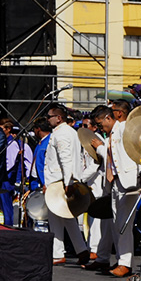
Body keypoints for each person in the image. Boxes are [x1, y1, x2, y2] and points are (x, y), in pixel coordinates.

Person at [89, 101, 139, 277]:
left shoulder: (126, 128)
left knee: (124, 223)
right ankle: (122, 259)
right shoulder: (112, 133)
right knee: (118, 223)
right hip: (116, 182)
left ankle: (126, 263)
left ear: (111, 117)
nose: (100, 128)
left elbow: (137, 151)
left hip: (128, 181)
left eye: (101, 123)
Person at [41, 105, 89, 264]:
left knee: (56, 219)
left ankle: (58, 252)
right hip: (63, 179)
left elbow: (65, 158)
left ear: (59, 118)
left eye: (49, 117)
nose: (48, 120)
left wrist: (67, 181)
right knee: (67, 217)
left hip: (59, 181)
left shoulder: (60, 134)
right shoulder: (70, 132)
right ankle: (81, 250)